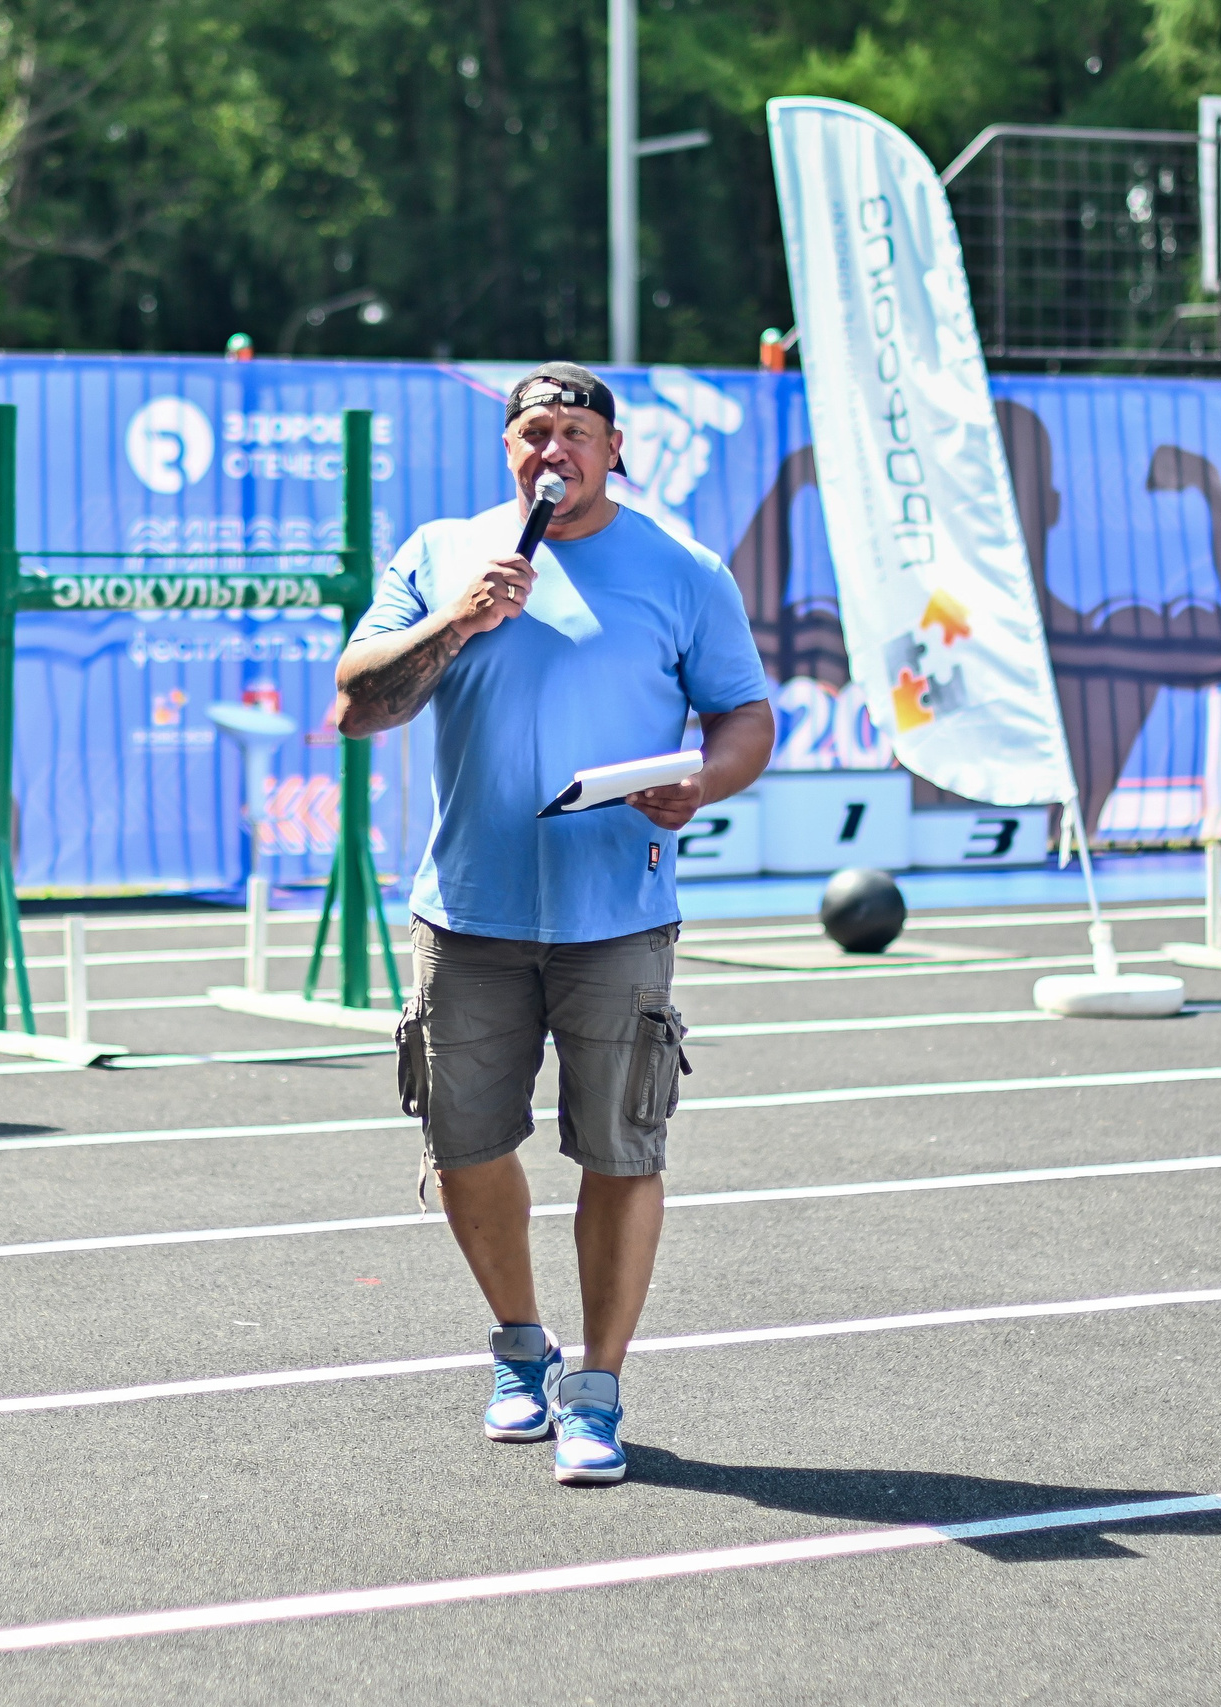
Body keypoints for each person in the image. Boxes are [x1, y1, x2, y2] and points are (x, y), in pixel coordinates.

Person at [332, 362, 773, 1485]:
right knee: (465, 1146)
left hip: (614, 912)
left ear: (613, 452)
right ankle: (521, 1350)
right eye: (533, 432)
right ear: (508, 451)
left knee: (620, 1151)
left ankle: (599, 1388)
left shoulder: (680, 569)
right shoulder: (444, 552)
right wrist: (457, 616)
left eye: (577, 432)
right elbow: (356, 706)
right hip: (468, 910)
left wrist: (704, 783)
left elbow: (744, 718)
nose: (553, 452)